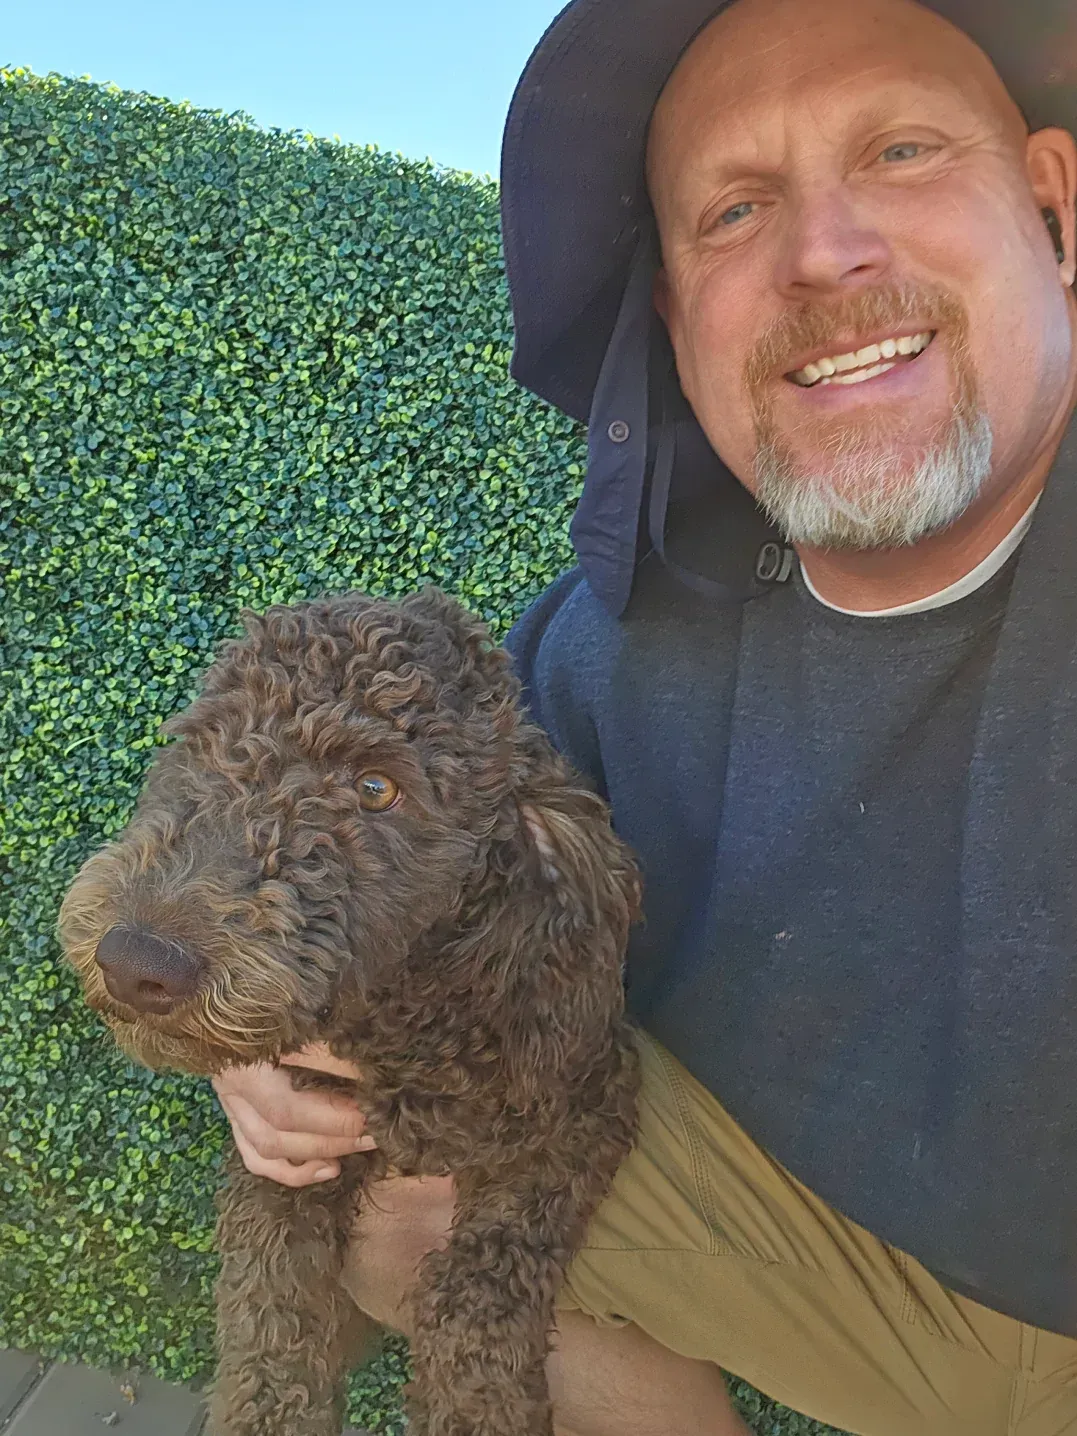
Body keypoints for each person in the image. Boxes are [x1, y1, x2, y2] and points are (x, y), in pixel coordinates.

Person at [211, 0, 1077, 1430]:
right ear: (674, 317)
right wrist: (271, 1019)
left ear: (1051, 205)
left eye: (904, 148)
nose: (824, 251)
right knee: (397, 1175)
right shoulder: (612, 638)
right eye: (736, 209)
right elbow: (388, 880)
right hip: (841, 1263)